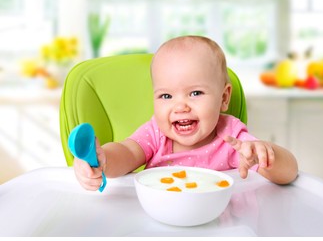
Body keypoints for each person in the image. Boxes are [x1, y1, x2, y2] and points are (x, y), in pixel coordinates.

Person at [73, 35, 298, 191]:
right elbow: (126, 152)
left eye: (195, 93)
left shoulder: (231, 138)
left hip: (217, 226)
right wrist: (103, 160)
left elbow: (289, 173)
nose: (180, 107)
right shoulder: (156, 134)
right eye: (166, 96)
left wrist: (266, 155)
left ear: (224, 98)